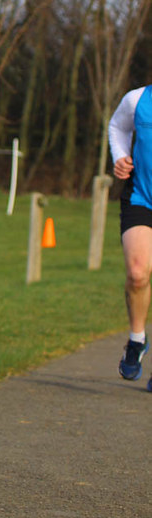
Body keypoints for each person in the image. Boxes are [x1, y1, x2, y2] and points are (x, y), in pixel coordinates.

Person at [108, 85, 152, 388]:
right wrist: (121, 156)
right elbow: (117, 126)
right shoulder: (138, 99)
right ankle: (137, 340)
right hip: (141, 197)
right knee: (137, 274)